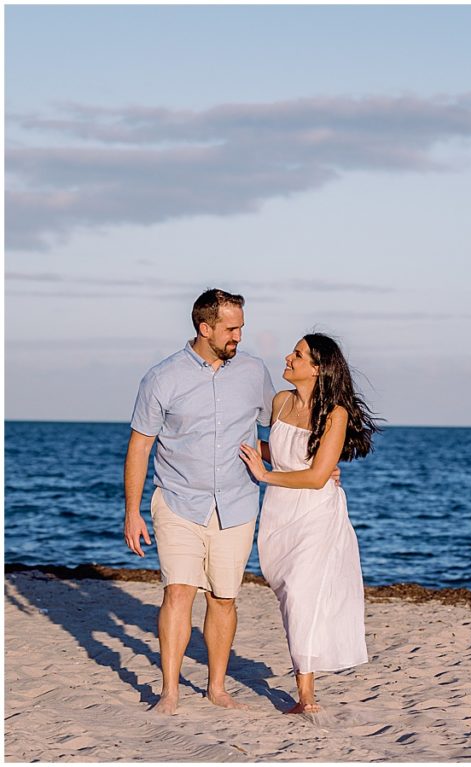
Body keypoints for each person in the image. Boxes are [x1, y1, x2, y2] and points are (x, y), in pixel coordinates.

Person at [123, 288, 277, 715]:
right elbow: (140, 446)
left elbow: (276, 432)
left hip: (238, 502)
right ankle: (169, 692)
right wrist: (132, 512)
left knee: (224, 599)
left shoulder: (253, 372)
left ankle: (217, 688)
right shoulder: (162, 377)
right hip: (178, 501)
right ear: (204, 328)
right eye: (231, 328)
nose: (239, 336)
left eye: (241, 327)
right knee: (178, 593)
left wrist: (314, 463)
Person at [239, 332, 380, 714]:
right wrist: (255, 454)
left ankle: (306, 696)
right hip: (279, 512)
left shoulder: (334, 414)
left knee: (302, 592)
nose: (288, 357)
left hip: (317, 513)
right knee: (288, 593)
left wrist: (264, 475)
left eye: (298, 355)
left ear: (317, 369)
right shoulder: (281, 402)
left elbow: (317, 477)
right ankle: (305, 680)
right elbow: (282, 451)